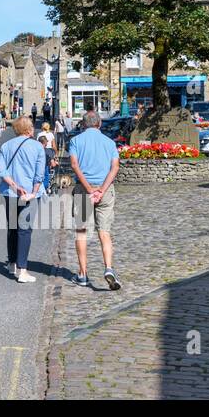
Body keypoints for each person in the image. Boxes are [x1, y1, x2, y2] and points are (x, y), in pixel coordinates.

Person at [68, 110, 122, 290]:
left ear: (83, 124)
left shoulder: (76, 141)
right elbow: (115, 167)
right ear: (99, 124)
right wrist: (102, 189)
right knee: (104, 231)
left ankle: (83, 274)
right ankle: (108, 267)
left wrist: (89, 189)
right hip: (105, 190)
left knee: (82, 231)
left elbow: (75, 165)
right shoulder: (109, 142)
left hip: (84, 189)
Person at [0, 116, 47, 283]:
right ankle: (22, 270)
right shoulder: (38, 147)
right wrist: (34, 191)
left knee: (12, 228)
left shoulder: (5, 145)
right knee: (24, 230)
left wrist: (14, 185)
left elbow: (1, 170)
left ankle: (12, 263)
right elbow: (39, 175)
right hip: (29, 194)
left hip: (9, 192)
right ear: (29, 129)